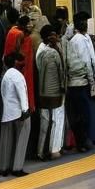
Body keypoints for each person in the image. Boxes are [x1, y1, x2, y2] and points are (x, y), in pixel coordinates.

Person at [66, 14, 95, 152]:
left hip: (76, 82)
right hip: (82, 82)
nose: (85, 24)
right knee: (83, 114)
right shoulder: (81, 40)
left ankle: (82, 141)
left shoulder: (77, 39)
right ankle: (83, 142)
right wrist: (92, 81)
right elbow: (86, 61)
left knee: (78, 114)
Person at [0, 52, 31, 177]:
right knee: (21, 140)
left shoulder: (6, 74)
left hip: (7, 113)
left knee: (6, 141)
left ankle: (3, 168)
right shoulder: (17, 75)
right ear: (15, 62)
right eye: (21, 61)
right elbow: (22, 93)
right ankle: (17, 168)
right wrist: (25, 110)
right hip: (19, 112)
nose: (23, 63)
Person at [36, 26, 65, 161]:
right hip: (54, 92)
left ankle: (41, 150)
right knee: (54, 120)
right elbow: (60, 71)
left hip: (42, 92)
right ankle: (52, 149)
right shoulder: (50, 52)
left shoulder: (40, 49)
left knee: (45, 121)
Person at [3, 14, 36, 112]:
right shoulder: (21, 35)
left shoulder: (12, 31)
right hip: (21, 68)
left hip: (9, 65)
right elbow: (19, 53)